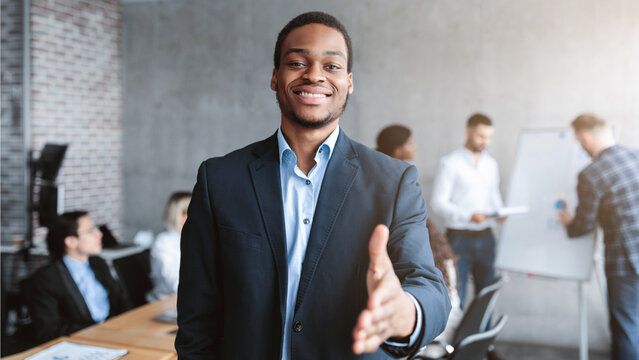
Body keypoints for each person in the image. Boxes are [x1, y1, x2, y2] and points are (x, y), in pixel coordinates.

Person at [176, 11, 450, 359]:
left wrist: (404, 312)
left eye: (331, 66)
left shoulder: (393, 182)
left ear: (349, 81)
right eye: (297, 62)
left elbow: (429, 287)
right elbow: (196, 318)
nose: (314, 75)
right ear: (275, 77)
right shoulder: (219, 179)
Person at [375, 125, 463, 358]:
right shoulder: (386, 181)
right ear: (398, 149)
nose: (415, 148)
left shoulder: (402, 178)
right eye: (410, 143)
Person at [559, 113, 639, 360]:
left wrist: (569, 221)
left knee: (625, 328)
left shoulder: (591, 174)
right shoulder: (634, 155)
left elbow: (583, 226)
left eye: (579, 142)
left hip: (625, 262)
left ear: (585, 138)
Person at [430, 113, 506, 307]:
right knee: (457, 296)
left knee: (487, 295)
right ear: (468, 132)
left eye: (488, 137)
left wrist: (499, 211)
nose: (485, 141)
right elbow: (437, 202)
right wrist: (468, 216)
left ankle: (483, 338)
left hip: (487, 237)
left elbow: (493, 195)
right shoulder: (450, 163)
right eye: (481, 136)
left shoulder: (491, 164)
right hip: (459, 239)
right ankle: (458, 338)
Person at [23, 211, 131, 344]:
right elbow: (48, 331)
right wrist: (99, 331)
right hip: (82, 344)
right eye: (91, 231)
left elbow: (122, 301)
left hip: (116, 337)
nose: (99, 234)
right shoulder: (46, 279)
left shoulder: (98, 263)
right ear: (71, 242)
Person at [147, 191, 191, 302]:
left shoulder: (192, 239)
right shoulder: (163, 243)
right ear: (178, 215)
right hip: (166, 302)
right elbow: (176, 284)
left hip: (188, 300)